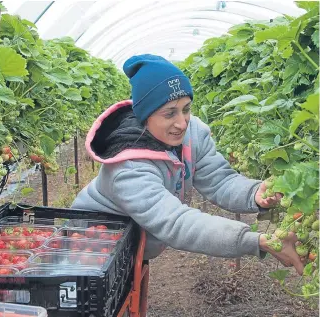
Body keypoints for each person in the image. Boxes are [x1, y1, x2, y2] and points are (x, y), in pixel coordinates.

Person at [71, 54, 304, 275]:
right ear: (145, 116)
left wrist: (255, 193)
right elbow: (177, 222)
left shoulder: (192, 135)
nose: (181, 123)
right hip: (91, 244)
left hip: (132, 240)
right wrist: (257, 241)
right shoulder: (128, 167)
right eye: (169, 113)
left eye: (186, 109)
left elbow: (220, 180)